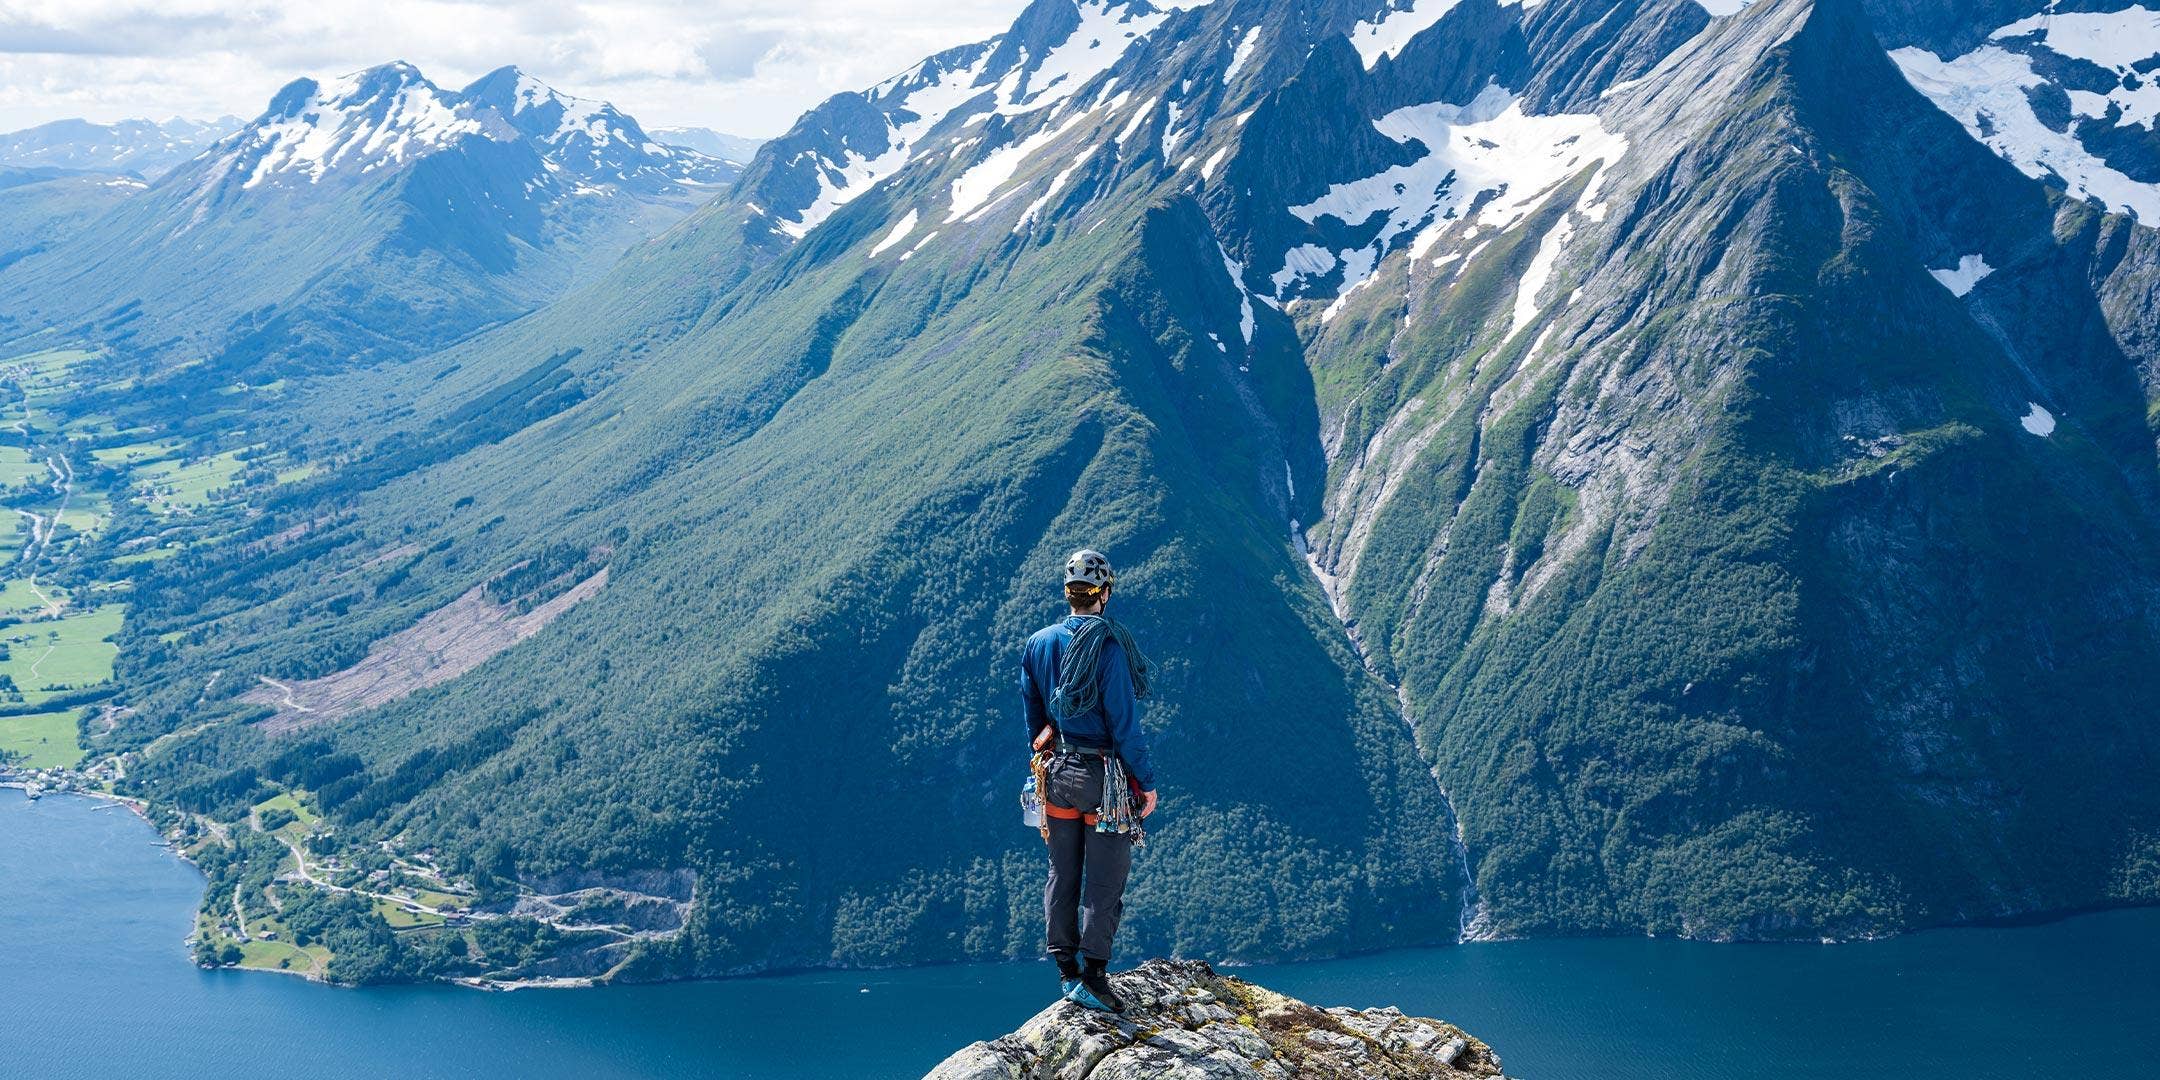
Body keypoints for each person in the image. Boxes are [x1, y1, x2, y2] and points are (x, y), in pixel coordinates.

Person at [1021, 548, 1158, 1013]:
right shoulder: (1109, 647)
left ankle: (1066, 971)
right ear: (1104, 594)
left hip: (1057, 773)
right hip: (1104, 779)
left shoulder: (1039, 643)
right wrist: (1146, 782)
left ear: (1068, 593)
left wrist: (1046, 754)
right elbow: (1124, 724)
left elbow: (1034, 715)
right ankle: (1095, 977)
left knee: (1062, 872)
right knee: (1104, 880)